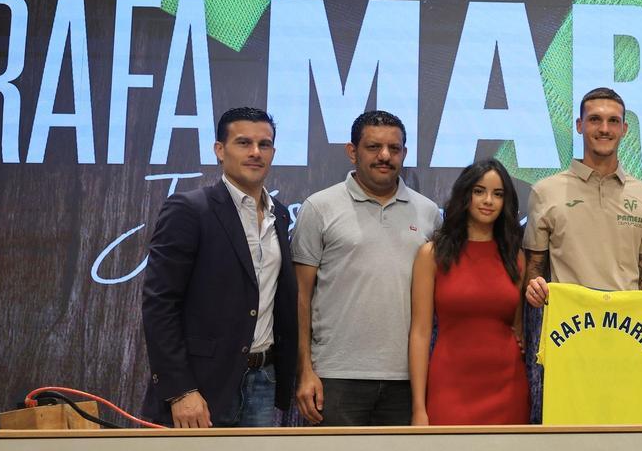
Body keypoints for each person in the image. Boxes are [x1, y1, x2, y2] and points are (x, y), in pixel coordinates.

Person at [141, 107, 297, 428]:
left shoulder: (279, 216)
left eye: (264, 144)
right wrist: (181, 390)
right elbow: (160, 305)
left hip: (263, 382)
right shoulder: (189, 209)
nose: (255, 152)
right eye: (243, 143)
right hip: (201, 385)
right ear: (219, 150)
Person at [292, 110, 440, 426]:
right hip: (335, 376)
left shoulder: (428, 214)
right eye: (373, 147)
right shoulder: (319, 208)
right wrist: (305, 370)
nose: (385, 156)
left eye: (394, 148)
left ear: (404, 154)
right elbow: (300, 296)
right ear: (352, 151)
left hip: (406, 381)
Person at [408, 159, 529, 425]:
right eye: (479, 191)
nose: (488, 201)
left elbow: (517, 325)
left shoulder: (515, 257)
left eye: (498, 194)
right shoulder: (432, 254)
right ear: (465, 195)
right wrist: (419, 408)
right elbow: (420, 333)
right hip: (449, 386)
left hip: (508, 389)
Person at [523, 88, 642, 306]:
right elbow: (534, 270)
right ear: (580, 125)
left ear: (624, 129)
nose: (604, 129)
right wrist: (534, 291)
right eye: (595, 119)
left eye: (613, 121)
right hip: (569, 328)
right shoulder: (545, 191)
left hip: (629, 329)